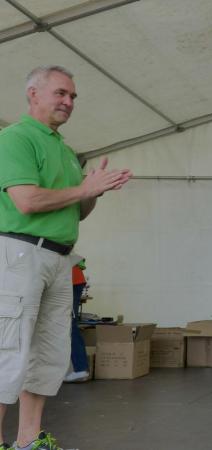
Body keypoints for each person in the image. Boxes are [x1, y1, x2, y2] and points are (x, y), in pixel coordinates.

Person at [0, 65, 132, 450]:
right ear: (33, 94)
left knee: (46, 355)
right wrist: (83, 189)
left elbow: (77, 212)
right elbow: (26, 201)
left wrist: (93, 192)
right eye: (60, 93)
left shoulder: (66, 151)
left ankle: (28, 441)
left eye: (72, 96)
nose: (69, 102)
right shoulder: (15, 138)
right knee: (9, 351)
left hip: (59, 259)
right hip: (20, 253)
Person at [63, 260, 89, 383]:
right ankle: (80, 368)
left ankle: (80, 369)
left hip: (69, 280)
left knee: (69, 325)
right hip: (72, 278)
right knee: (68, 325)